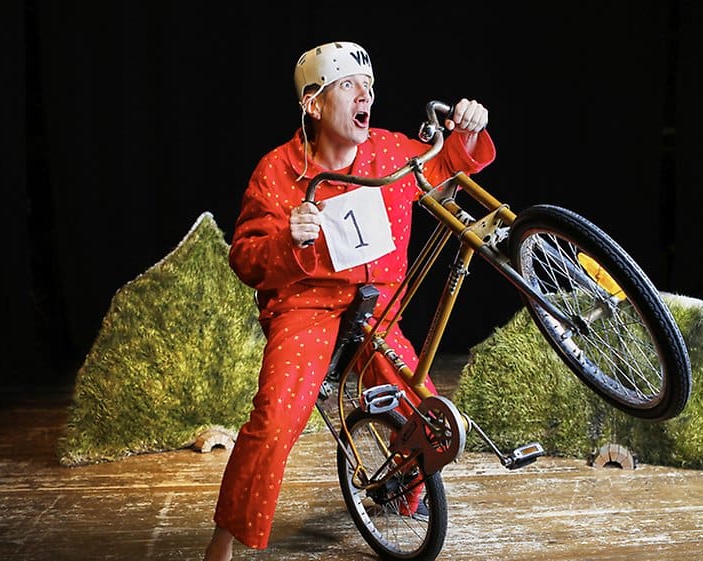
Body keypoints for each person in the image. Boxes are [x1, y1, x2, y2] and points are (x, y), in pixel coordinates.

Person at [203, 40, 495, 561]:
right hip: (306, 307)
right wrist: (286, 239)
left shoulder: (388, 151)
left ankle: (401, 495)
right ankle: (224, 539)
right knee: (276, 419)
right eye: (348, 86)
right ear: (313, 104)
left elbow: (445, 166)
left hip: (375, 306)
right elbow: (245, 257)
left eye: (369, 86)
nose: (365, 95)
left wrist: (467, 130)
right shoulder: (277, 171)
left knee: (426, 415)